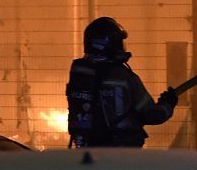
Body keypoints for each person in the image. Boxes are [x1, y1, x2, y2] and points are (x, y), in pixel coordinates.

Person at [66, 16, 178, 147]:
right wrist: (168, 103)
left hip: (89, 149)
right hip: (122, 151)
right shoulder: (123, 76)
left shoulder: (81, 73)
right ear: (113, 44)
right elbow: (151, 114)